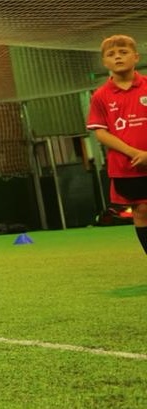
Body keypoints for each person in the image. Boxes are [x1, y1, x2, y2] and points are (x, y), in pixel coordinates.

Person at [87, 34, 147, 255]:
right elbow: (101, 133)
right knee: (141, 211)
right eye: (111, 54)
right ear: (104, 62)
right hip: (126, 167)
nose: (118, 57)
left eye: (123, 52)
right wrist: (134, 152)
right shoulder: (100, 96)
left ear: (136, 57)